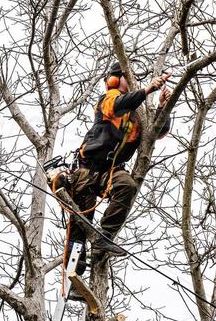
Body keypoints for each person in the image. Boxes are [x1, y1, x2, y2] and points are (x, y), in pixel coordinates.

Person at [65, 62, 172, 275]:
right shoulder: (109, 99)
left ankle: (104, 237)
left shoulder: (137, 115)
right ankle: (74, 277)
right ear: (115, 79)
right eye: (126, 76)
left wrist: (163, 107)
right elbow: (118, 104)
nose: (131, 81)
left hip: (111, 171)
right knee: (79, 225)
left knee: (127, 185)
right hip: (87, 169)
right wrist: (147, 89)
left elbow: (157, 132)